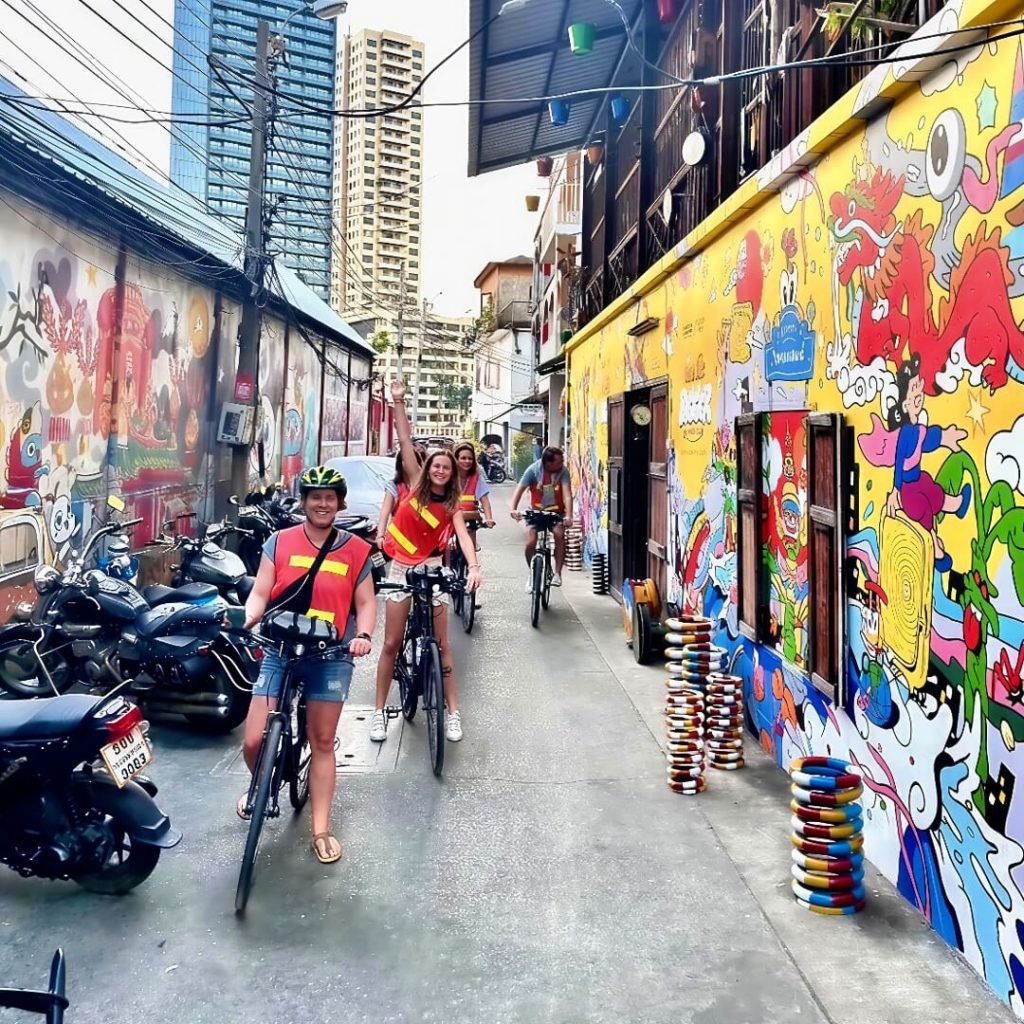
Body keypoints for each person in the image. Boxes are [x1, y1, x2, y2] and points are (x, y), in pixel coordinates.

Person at [240, 465, 376, 865]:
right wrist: (248, 619)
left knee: (321, 742)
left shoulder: (356, 549)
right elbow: (260, 592)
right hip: (279, 647)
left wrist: (363, 636)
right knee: (252, 741)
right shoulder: (279, 542)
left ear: (339, 504)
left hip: (330, 654)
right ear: (304, 502)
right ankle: (264, 783)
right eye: (315, 496)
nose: (321, 503)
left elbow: (366, 604)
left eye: (329, 498)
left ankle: (320, 829)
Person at [369, 379, 481, 745]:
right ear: (427, 467)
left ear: (452, 475)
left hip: (432, 569)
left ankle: (453, 714)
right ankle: (378, 712)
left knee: (443, 645)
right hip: (401, 567)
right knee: (391, 644)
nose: (441, 470)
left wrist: (475, 568)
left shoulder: (450, 506)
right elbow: (404, 441)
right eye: (436, 465)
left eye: (447, 467)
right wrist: (398, 401)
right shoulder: (414, 484)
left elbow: (463, 537)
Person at [510, 445, 573, 590]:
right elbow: (519, 490)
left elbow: (567, 495)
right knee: (530, 542)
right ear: (547, 463)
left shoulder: (563, 472)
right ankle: (532, 573)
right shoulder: (533, 470)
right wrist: (513, 508)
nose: (562, 464)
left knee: (559, 534)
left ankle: (557, 574)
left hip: (556, 513)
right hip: (536, 513)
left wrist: (568, 515)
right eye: (559, 462)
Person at [375, 443, 427, 549]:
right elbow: (384, 513)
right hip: (398, 542)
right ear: (400, 463)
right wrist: (380, 535)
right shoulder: (394, 486)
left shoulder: (427, 486)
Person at [452, 440, 496, 528]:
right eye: (463, 458)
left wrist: (489, 518)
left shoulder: (477, 477)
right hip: (450, 520)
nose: (467, 461)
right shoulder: (449, 475)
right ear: (456, 459)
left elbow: (484, 500)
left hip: (470, 519)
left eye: (470, 458)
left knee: (471, 541)